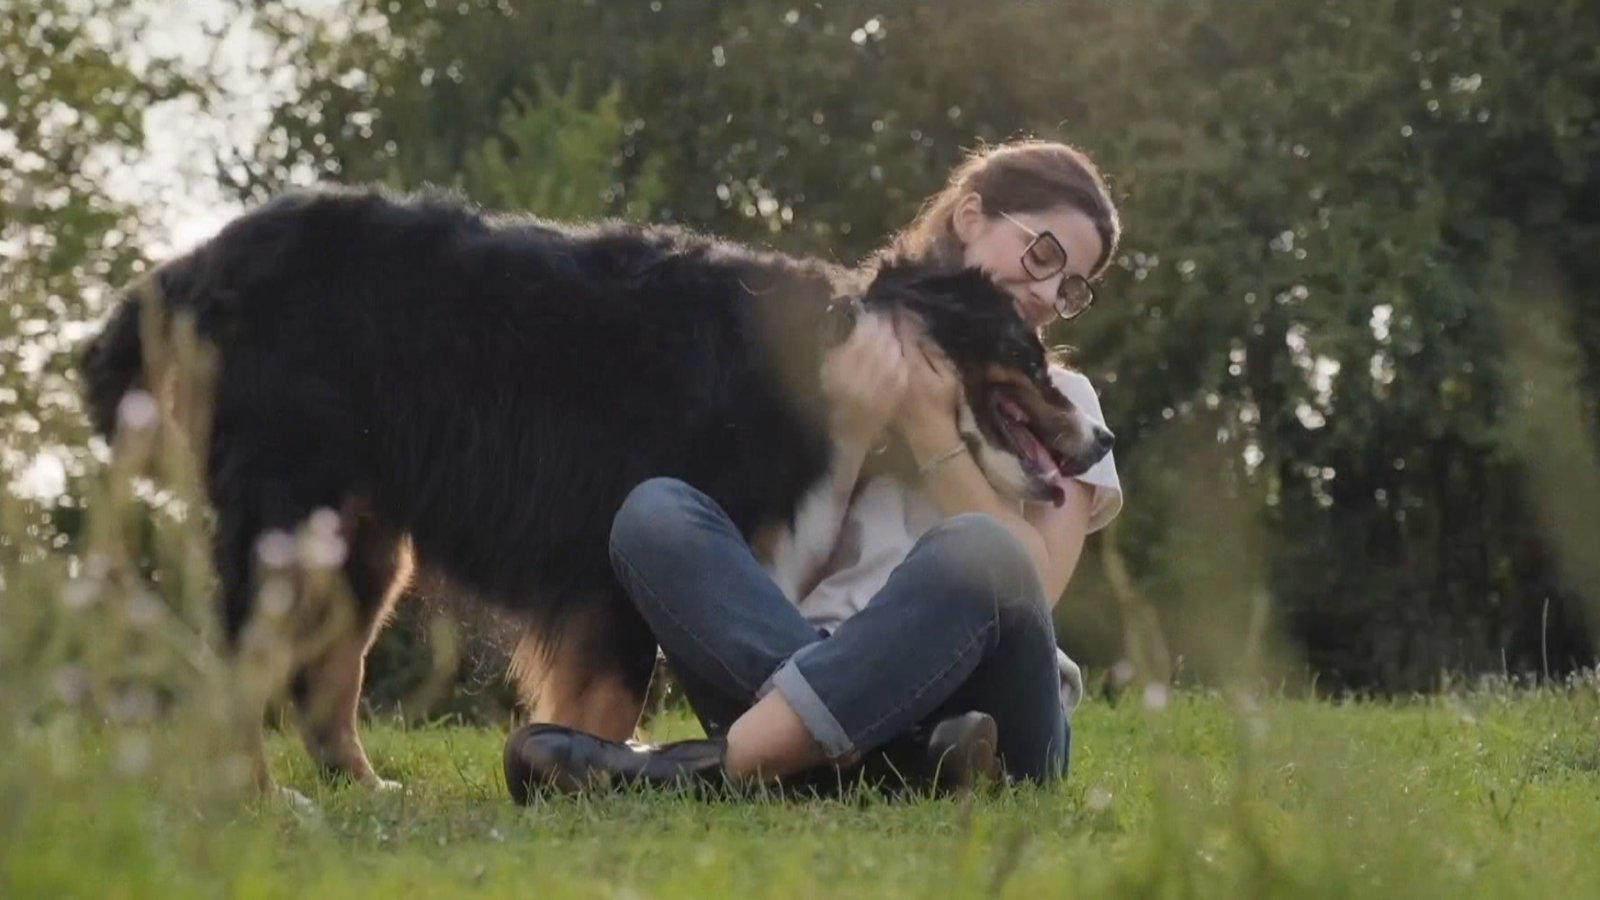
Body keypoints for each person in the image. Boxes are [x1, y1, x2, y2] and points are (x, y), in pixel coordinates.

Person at [504, 139, 1124, 798]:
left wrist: (928, 430)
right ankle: (904, 763)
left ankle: (703, 772)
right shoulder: (849, 357)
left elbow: (1035, 587)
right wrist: (851, 434)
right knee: (653, 514)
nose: (1050, 293)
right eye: (1044, 254)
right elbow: (777, 587)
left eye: (1073, 286)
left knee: (979, 549)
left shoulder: (1065, 408)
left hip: (992, 714)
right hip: (808, 660)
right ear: (972, 217)